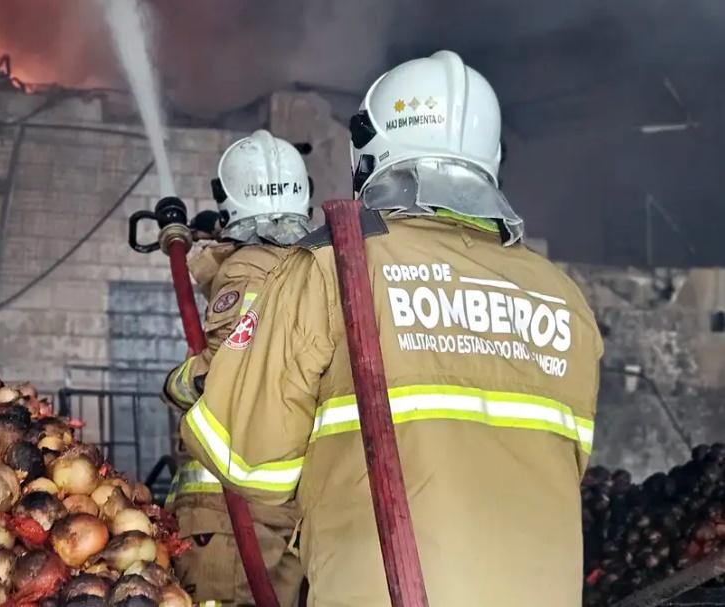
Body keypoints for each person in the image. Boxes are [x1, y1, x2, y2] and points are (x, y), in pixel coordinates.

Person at [180, 50, 604, 607]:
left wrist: (200, 380)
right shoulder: (565, 300)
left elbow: (248, 461)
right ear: (492, 158)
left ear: (369, 154)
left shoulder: (334, 267)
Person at [162, 130, 311, 607]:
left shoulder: (246, 269)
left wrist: (176, 382)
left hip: (230, 516)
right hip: (283, 513)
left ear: (231, 206)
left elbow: (217, 378)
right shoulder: (312, 266)